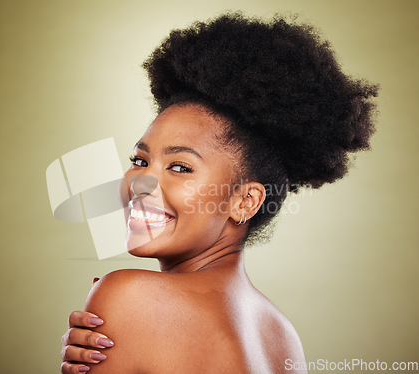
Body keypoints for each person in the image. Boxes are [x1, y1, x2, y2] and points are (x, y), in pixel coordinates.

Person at [60, 11, 378, 373]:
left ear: (245, 201)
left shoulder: (130, 296)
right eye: (139, 160)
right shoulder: (282, 336)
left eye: (180, 167)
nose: (141, 183)